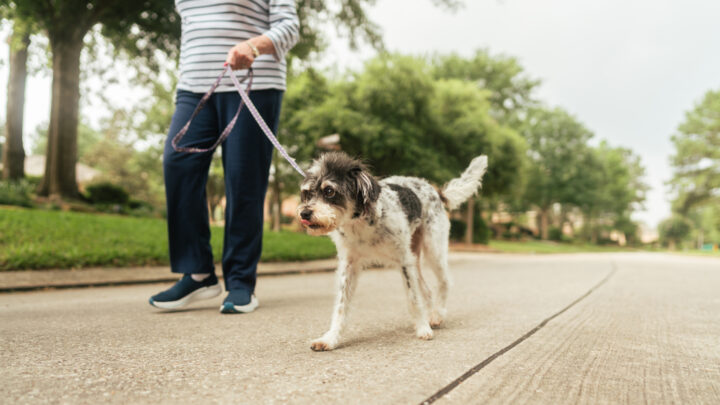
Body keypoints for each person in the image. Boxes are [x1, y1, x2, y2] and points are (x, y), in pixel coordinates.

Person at [149, 0, 300, 313]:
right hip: (193, 85)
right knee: (177, 163)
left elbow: (290, 27)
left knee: (243, 179)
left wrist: (254, 46)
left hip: (253, 82)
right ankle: (199, 273)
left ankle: (240, 281)